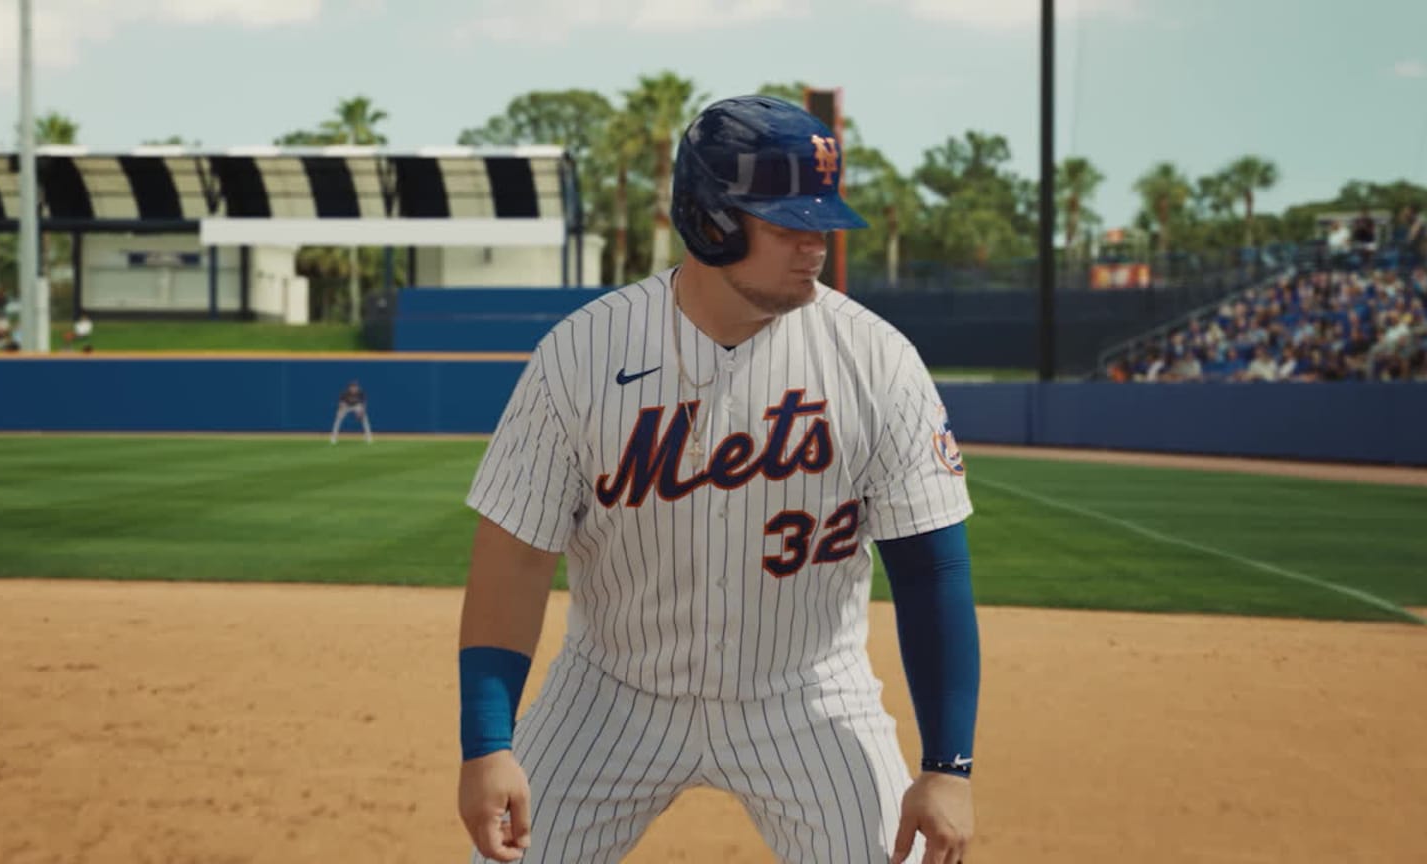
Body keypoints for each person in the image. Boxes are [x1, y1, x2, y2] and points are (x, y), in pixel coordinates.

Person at [455, 95, 980, 864]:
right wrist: (486, 743)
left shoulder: (876, 361)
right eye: (788, 224)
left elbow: (931, 569)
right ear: (710, 221)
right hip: (611, 694)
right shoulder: (581, 355)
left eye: (822, 223)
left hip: (807, 697)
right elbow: (516, 559)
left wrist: (947, 767)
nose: (816, 246)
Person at [330, 380, 372, 444]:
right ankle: (334, 437)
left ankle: (368, 437)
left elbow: (364, 404)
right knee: (338, 419)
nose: (354, 388)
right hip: (346, 406)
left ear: (357, 387)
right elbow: (341, 404)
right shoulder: (345, 393)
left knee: (365, 418)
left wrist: (361, 413)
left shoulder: (360, 393)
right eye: (352, 387)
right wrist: (340, 412)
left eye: (355, 387)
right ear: (349, 388)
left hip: (356, 406)